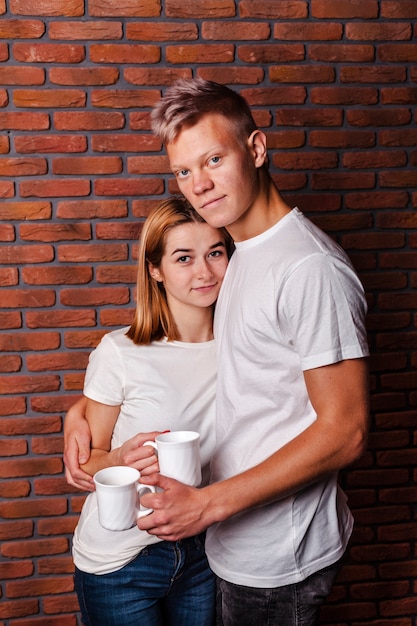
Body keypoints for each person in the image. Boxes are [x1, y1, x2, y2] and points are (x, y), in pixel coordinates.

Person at [65, 78, 370, 626]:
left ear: (255, 149)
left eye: (212, 159)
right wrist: (84, 413)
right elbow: (201, 372)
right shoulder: (243, 251)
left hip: (280, 554)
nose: (198, 185)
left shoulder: (309, 267)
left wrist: (208, 504)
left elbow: (345, 430)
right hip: (227, 544)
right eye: (184, 171)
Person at [70, 195, 231, 626]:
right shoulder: (121, 351)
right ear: (155, 269)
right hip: (122, 561)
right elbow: (88, 461)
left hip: (206, 552)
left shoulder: (248, 347)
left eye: (216, 252)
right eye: (184, 258)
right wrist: (121, 459)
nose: (205, 271)